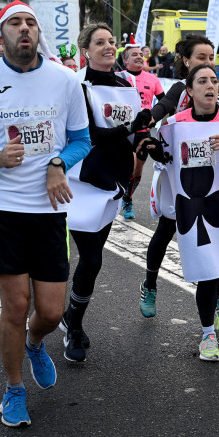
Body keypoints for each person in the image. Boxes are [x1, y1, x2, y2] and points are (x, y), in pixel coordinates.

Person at [0, 0, 92, 427]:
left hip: (49, 207)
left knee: (50, 312)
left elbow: (81, 140)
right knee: (15, 305)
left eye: (30, 22)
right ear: (1, 34)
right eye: (15, 22)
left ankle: (35, 342)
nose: (24, 29)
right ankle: (13, 390)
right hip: (1, 208)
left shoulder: (65, 81)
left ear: (38, 32)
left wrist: (57, 164)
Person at [148, 64, 219, 361]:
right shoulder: (174, 124)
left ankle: (213, 302)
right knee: (208, 275)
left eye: (214, 80)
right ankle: (207, 334)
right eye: (202, 81)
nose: (210, 86)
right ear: (190, 91)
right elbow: (163, 159)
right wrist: (151, 147)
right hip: (192, 210)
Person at [58, 25, 151, 363]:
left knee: (92, 260)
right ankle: (75, 325)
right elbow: (92, 134)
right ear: (86, 50)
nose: (109, 46)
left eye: (112, 41)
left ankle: (71, 317)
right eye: (100, 42)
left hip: (114, 182)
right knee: (92, 258)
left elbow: (133, 136)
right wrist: (130, 127)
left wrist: (145, 140)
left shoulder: (127, 86)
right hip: (82, 182)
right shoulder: (77, 86)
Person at [140, 34, 219, 324]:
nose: (208, 63)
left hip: (210, 176)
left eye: (211, 58)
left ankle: (213, 294)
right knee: (167, 229)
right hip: (178, 173)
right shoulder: (182, 89)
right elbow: (165, 106)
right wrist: (149, 118)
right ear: (186, 61)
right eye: (201, 58)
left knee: (214, 235)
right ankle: (150, 285)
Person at [116, 44, 165, 220]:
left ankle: (127, 199)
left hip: (143, 130)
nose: (139, 56)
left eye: (140, 54)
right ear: (126, 60)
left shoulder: (153, 79)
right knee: (119, 166)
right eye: (134, 54)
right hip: (121, 130)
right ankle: (113, 194)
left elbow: (163, 103)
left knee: (137, 170)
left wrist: (156, 119)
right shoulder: (117, 77)